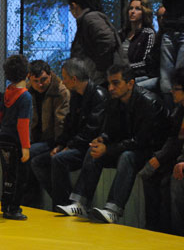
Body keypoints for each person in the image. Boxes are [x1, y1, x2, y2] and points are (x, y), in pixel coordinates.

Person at [57, 64, 169, 223]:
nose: (110, 88)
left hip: (152, 151)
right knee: (93, 150)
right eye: (109, 83)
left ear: (130, 83)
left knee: (127, 157)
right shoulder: (114, 100)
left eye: (116, 83)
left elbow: (141, 141)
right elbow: (110, 130)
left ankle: (113, 210)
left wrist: (108, 149)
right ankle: (80, 203)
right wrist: (102, 139)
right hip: (127, 146)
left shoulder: (149, 103)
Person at [31, 58, 107, 208]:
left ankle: (65, 204)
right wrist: (61, 144)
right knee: (37, 162)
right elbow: (69, 125)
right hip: (76, 143)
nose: (63, 81)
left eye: (65, 78)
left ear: (74, 79)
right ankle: (64, 201)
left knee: (59, 159)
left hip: (88, 146)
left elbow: (91, 130)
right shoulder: (76, 95)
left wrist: (70, 146)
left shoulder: (98, 95)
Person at [140, 67, 184, 232]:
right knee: (151, 173)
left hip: (181, 162)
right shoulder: (179, 111)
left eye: (176, 89)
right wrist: (158, 158)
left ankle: (177, 232)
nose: (172, 92)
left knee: (174, 181)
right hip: (177, 158)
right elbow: (173, 141)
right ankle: (154, 227)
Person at [0, 55, 32, 220]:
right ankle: (13, 208)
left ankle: (5, 204)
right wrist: (26, 147)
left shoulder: (8, 93)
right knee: (20, 176)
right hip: (17, 141)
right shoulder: (25, 96)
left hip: (4, 138)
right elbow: (23, 123)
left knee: (8, 173)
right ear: (27, 74)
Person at [22, 60, 70, 206]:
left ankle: (58, 201)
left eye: (43, 80)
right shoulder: (27, 91)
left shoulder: (60, 91)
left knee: (29, 155)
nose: (40, 84)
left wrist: (60, 145)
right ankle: (31, 201)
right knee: (21, 153)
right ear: (29, 78)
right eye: (35, 81)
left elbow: (61, 121)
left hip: (53, 139)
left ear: (50, 75)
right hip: (35, 138)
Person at [69, 0, 123, 85]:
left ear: (74, 5)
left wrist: (99, 69)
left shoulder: (90, 18)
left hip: (99, 78)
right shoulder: (90, 18)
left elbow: (107, 40)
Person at [119, 0, 158, 90]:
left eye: (137, 9)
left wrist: (126, 68)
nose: (132, 11)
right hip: (121, 75)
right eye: (131, 8)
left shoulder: (148, 33)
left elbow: (146, 62)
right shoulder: (121, 34)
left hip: (139, 76)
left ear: (144, 12)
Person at [159, 0, 184, 106]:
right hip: (169, 32)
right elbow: (166, 3)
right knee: (166, 78)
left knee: (181, 74)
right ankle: (170, 111)